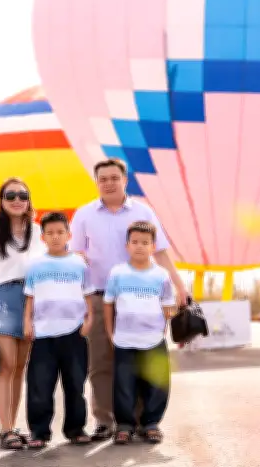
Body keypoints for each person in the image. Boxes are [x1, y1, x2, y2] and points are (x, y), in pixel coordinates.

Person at [69, 157, 188, 441]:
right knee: (101, 362)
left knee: (141, 360)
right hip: (99, 298)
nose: (108, 183)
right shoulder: (84, 215)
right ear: (96, 182)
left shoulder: (143, 212)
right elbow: (75, 256)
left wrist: (179, 285)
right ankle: (105, 421)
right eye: (103, 179)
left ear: (125, 180)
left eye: (114, 178)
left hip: (141, 299)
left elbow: (160, 251)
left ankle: (141, 422)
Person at [0, 177, 45, 450]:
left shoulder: (38, 232)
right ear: (1, 201)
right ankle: (5, 429)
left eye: (22, 195)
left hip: (31, 299)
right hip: (2, 298)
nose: (17, 200)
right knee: (6, 365)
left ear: (29, 201)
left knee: (19, 368)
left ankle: (12, 426)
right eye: (11, 195)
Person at [22, 212, 94, 449]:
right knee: (40, 386)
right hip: (43, 335)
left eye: (60, 232)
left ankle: (76, 429)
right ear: (42, 237)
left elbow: (88, 295)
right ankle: (39, 432)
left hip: (74, 332)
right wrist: (27, 322)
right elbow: (30, 297)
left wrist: (89, 319)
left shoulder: (79, 264)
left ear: (69, 235)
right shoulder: (35, 265)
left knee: (75, 385)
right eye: (50, 233)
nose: (55, 237)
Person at [103, 221, 174, 445]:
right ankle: (125, 426)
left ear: (153, 246)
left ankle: (151, 424)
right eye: (134, 242)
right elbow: (108, 304)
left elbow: (167, 305)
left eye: (145, 242)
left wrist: (162, 330)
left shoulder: (162, 275)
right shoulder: (117, 273)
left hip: (154, 340)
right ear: (127, 246)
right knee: (124, 384)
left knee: (156, 383)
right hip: (124, 340)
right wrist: (110, 333)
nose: (139, 246)